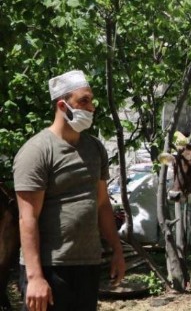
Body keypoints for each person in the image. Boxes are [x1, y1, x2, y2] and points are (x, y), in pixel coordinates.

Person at [12, 70, 125, 311]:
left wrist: (117, 250)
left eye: (91, 100)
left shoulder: (95, 148)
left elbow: (102, 204)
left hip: (87, 265)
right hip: (50, 268)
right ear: (62, 105)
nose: (91, 107)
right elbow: (27, 218)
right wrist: (35, 278)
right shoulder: (37, 151)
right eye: (83, 101)